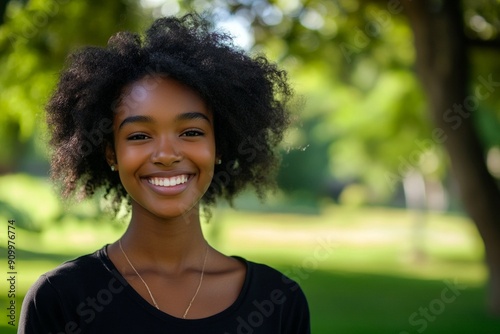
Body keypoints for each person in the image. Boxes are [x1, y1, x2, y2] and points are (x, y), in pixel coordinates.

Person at [19, 13, 310, 334]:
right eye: (140, 136)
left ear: (219, 145)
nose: (167, 155)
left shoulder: (278, 302)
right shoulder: (61, 299)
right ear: (111, 153)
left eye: (191, 132)